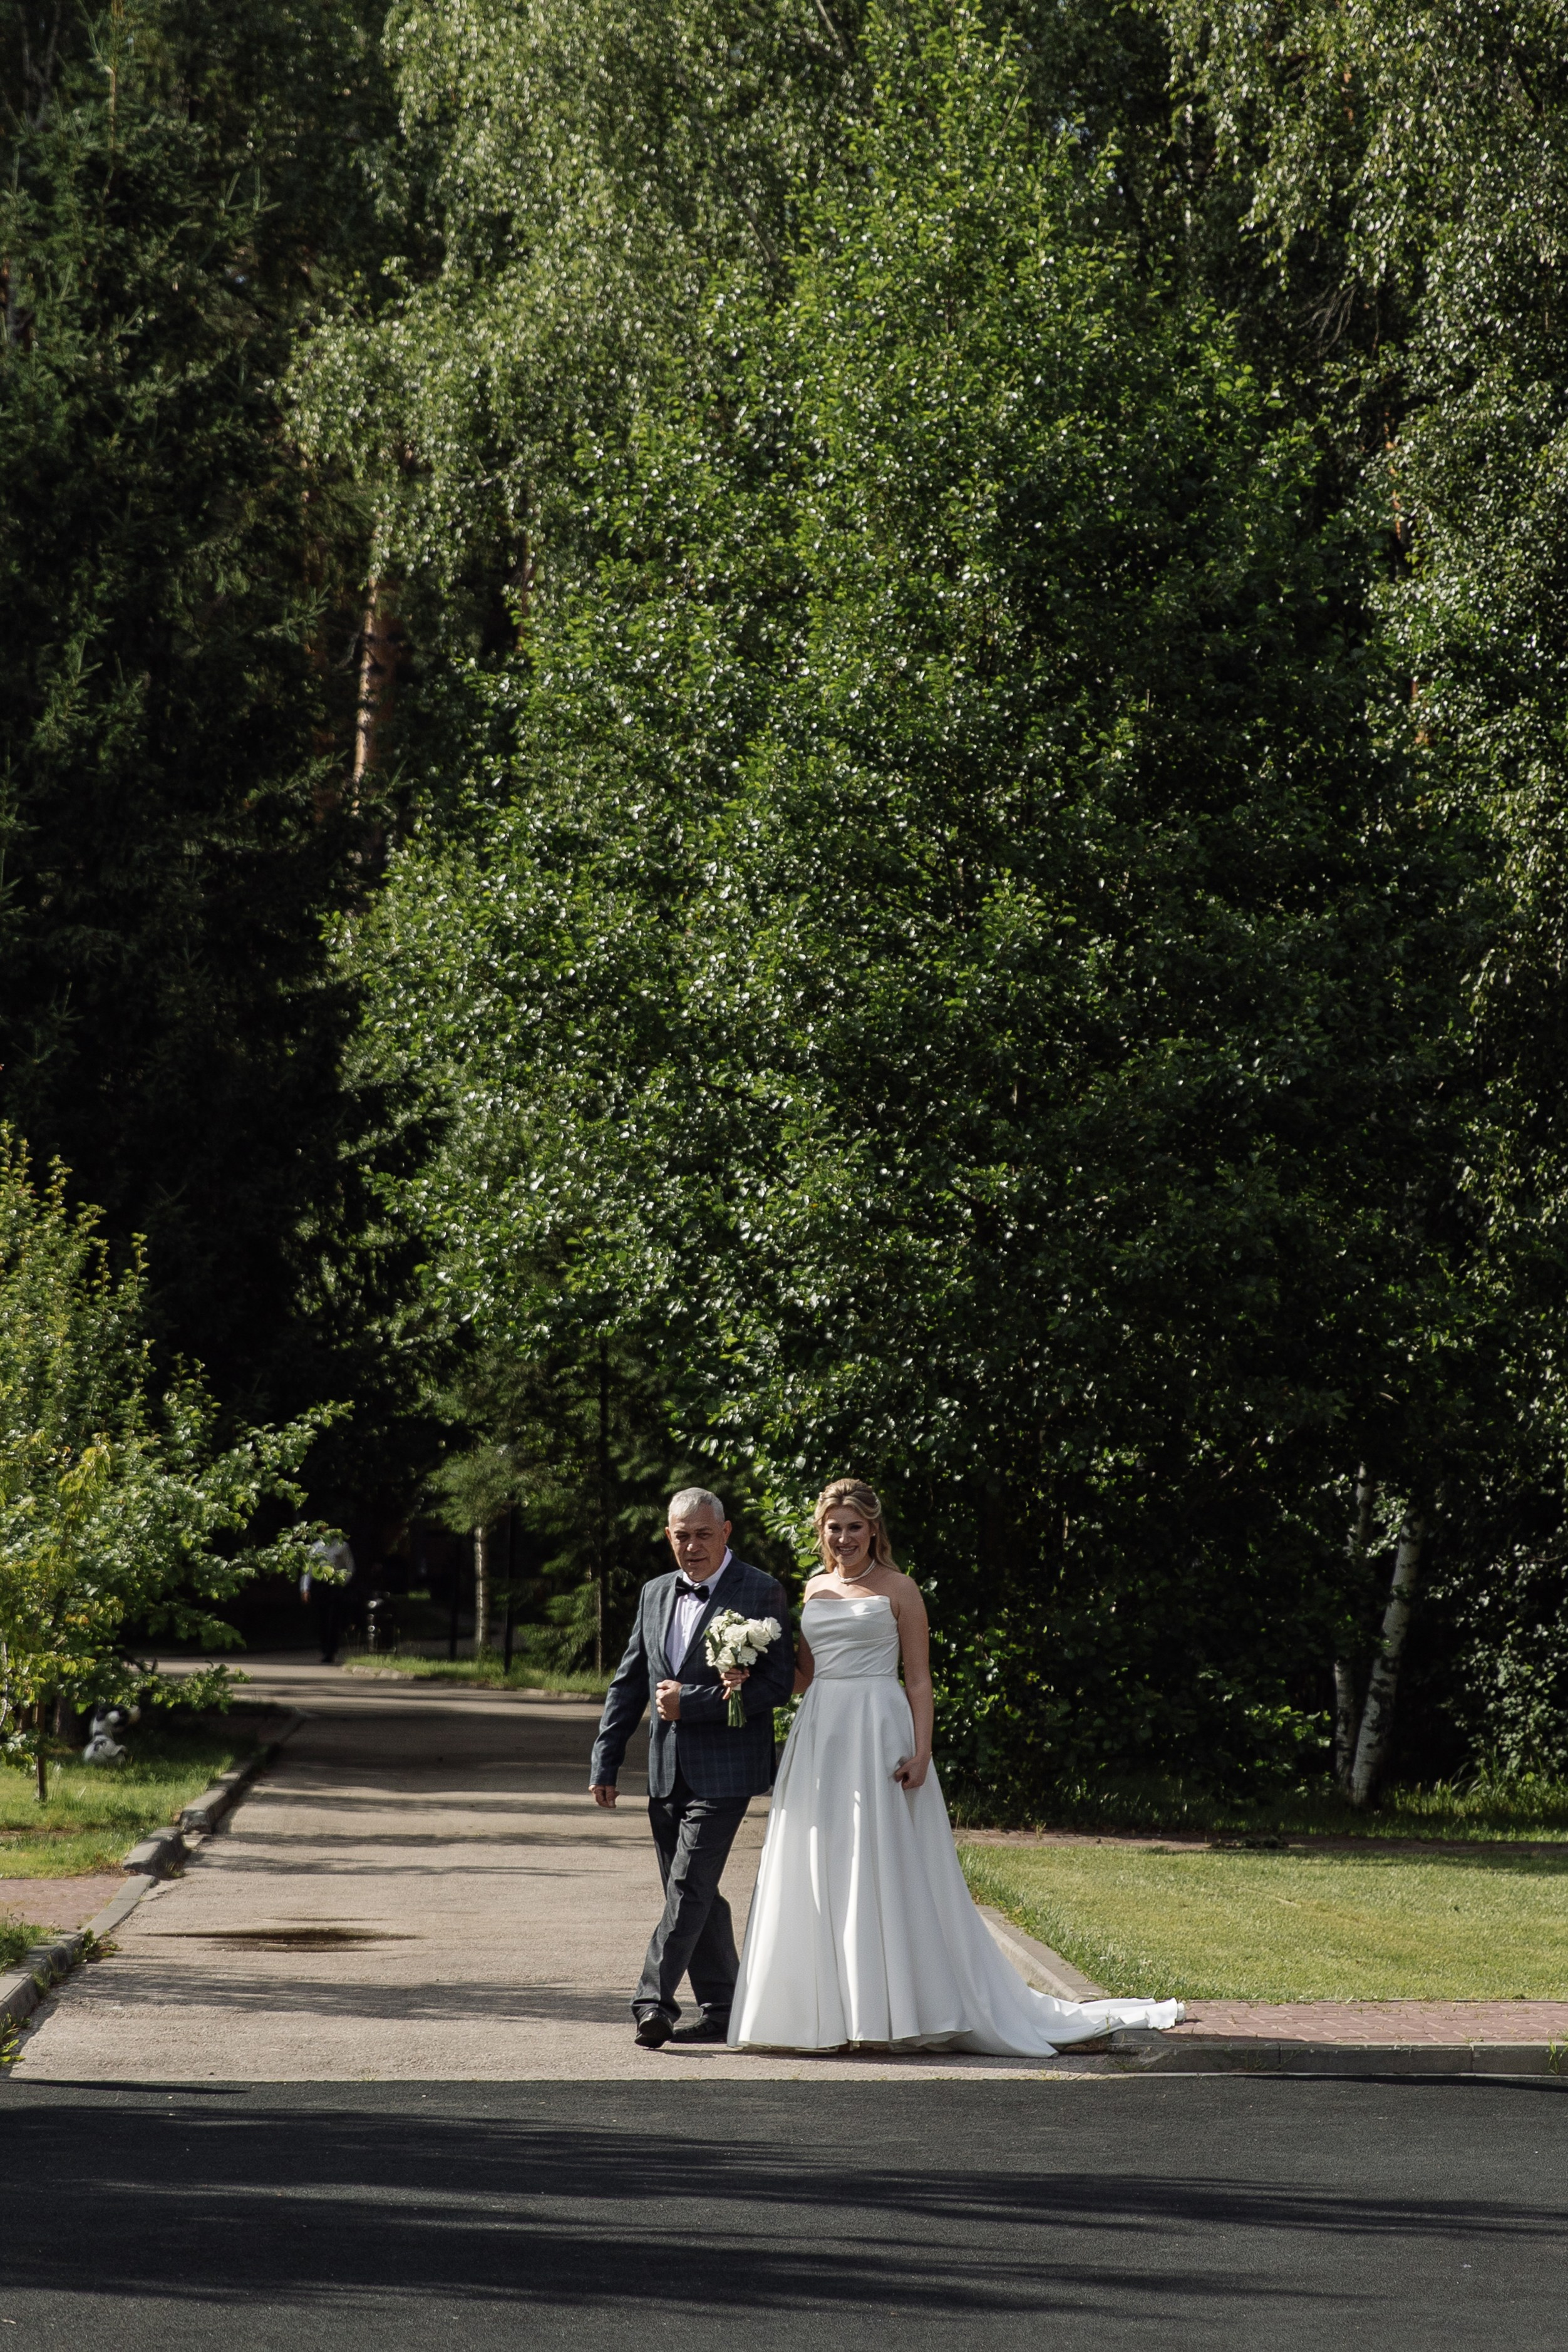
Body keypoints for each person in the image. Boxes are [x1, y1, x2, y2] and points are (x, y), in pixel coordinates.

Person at [725, 1476, 1184, 2055]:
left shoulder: (900, 1588)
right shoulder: (813, 1590)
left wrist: (922, 1752)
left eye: (855, 1527)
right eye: (833, 1527)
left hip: (879, 1730)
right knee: (824, 1861)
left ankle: (897, 2010)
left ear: (874, 1530)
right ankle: (827, 2015)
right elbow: (805, 1677)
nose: (844, 1538)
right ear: (821, 1531)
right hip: (821, 1734)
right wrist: (745, 1670)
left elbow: (918, 1678)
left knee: (884, 1862)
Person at [589, 1487, 794, 2048]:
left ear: (726, 1533)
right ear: (668, 1536)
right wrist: (606, 1760)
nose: (693, 1546)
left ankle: (652, 2002)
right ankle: (724, 2008)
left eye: (704, 1534)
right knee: (696, 1892)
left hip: (727, 1769)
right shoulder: (655, 1592)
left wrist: (696, 1702)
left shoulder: (761, 1590)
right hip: (664, 1769)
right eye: (682, 1535)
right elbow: (631, 1681)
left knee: (687, 1885)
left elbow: (777, 1685)